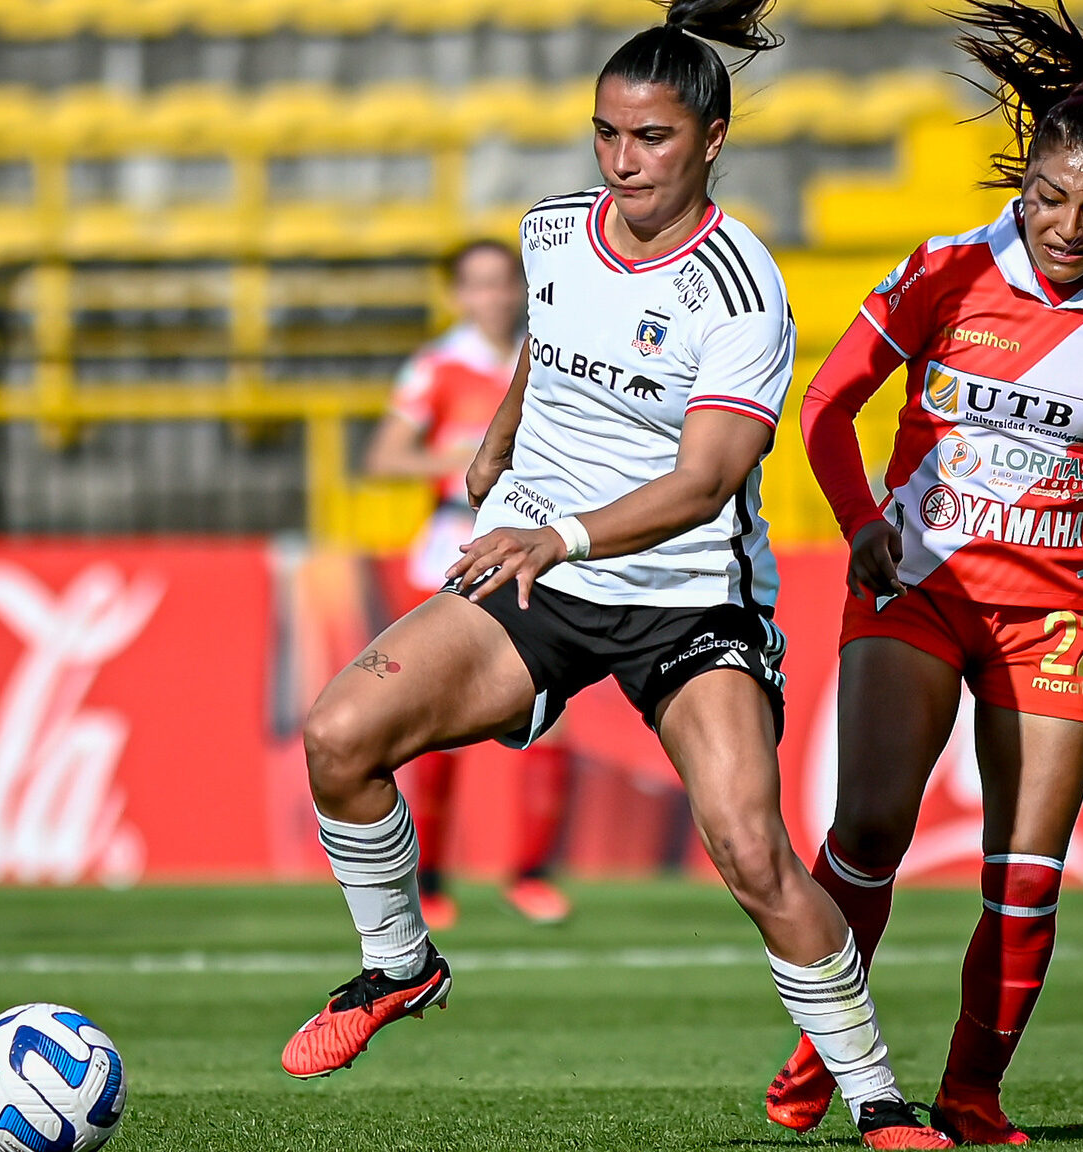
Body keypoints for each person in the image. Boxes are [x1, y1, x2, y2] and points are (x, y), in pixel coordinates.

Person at [281, 1, 953, 1144]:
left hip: (686, 599)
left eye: (648, 138)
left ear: (710, 139)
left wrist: (561, 536)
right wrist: (499, 440)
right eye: (605, 134)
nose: (621, 160)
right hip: (540, 573)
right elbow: (549, 338)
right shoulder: (549, 231)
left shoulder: (740, 291)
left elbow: (706, 481)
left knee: (747, 845)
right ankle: (398, 967)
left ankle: (877, 1098)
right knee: (338, 736)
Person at [765, 1, 1083, 1143]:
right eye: (1046, 197)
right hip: (914, 589)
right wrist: (859, 522)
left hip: (1050, 621)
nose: (1064, 224)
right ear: (1023, 182)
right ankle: (825, 1051)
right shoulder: (945, 273)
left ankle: (970, 1095)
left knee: (1028, 875)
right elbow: (825, 404)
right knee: (869, 831)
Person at [364, 240, 574, 929]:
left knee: (544, 717)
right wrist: (456, 456)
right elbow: (383, 457)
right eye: (477, 285)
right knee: (434, 723)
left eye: (502, 282)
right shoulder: (436, 367)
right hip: (448, 554)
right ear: (458, 296)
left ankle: (531, 873)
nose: (492, 297)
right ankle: (428, 880)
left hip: (527, 551)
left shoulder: (549, 355)